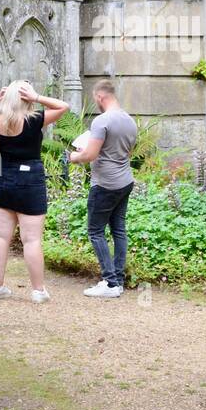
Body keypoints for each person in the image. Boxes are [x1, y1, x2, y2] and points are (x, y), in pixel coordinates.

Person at [0, 80, 68, 303]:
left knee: (0, 236)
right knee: (31, 240)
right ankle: (38, 291)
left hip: (2, 178)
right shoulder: (34, 120)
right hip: (29, 180)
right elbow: (63, 107)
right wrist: (37, 97)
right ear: (25, 98)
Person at [68, 78, 138, 298]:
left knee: (95, 231)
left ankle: (109, 283)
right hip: (125, 181)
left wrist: (74, 156)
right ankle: (118, 280)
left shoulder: (101, 121)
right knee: (118, 230)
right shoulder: (130, 121)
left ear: (100, 97)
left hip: (105, 184)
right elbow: (125, 153)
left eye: (95, 99)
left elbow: (90, 155)